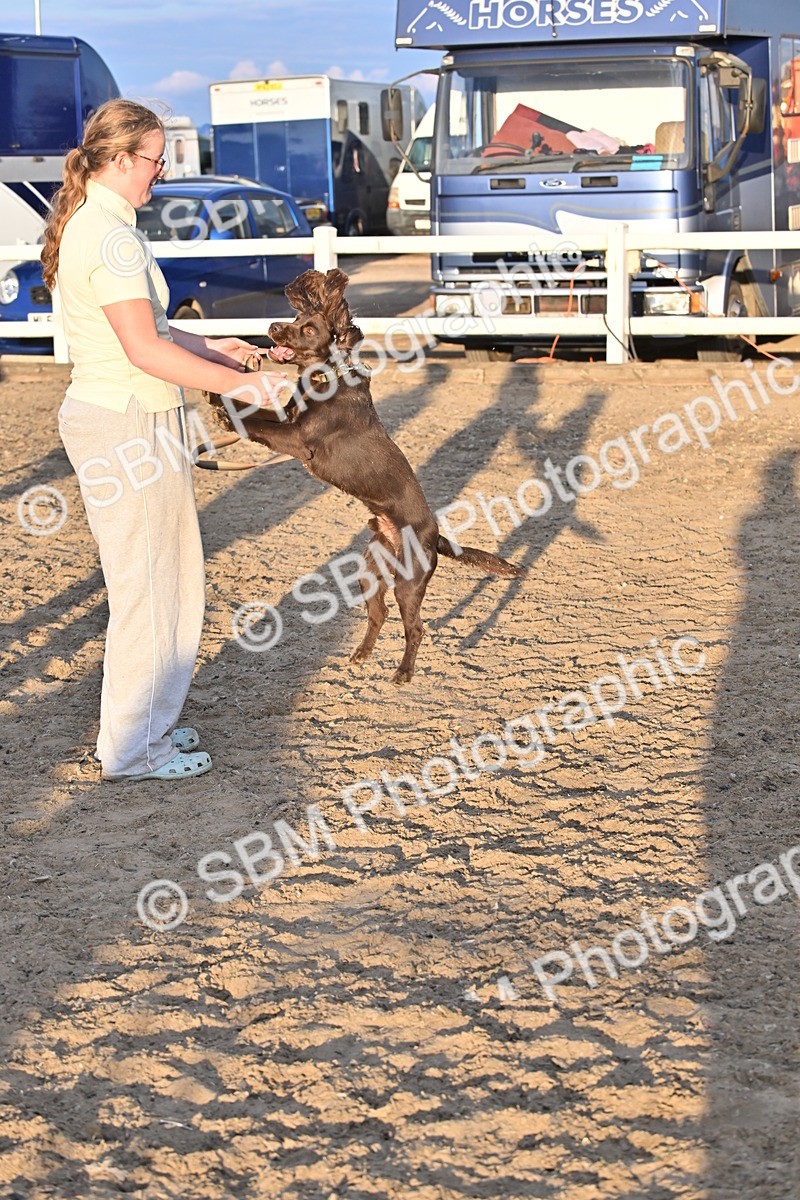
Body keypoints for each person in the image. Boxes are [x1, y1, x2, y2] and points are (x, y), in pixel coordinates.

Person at [41, 99, 286, 782]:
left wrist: (213, 348)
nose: (161, 173)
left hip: (124, 414)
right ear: (120, 160)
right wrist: (246, 388)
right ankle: (133, 748)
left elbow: (147, 330)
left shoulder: (101, 225)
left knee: (156, 584)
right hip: (130, 421)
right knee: (153, 588)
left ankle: (143, 728)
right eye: (154, 160)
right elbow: (143, 349)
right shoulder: (111, 237)